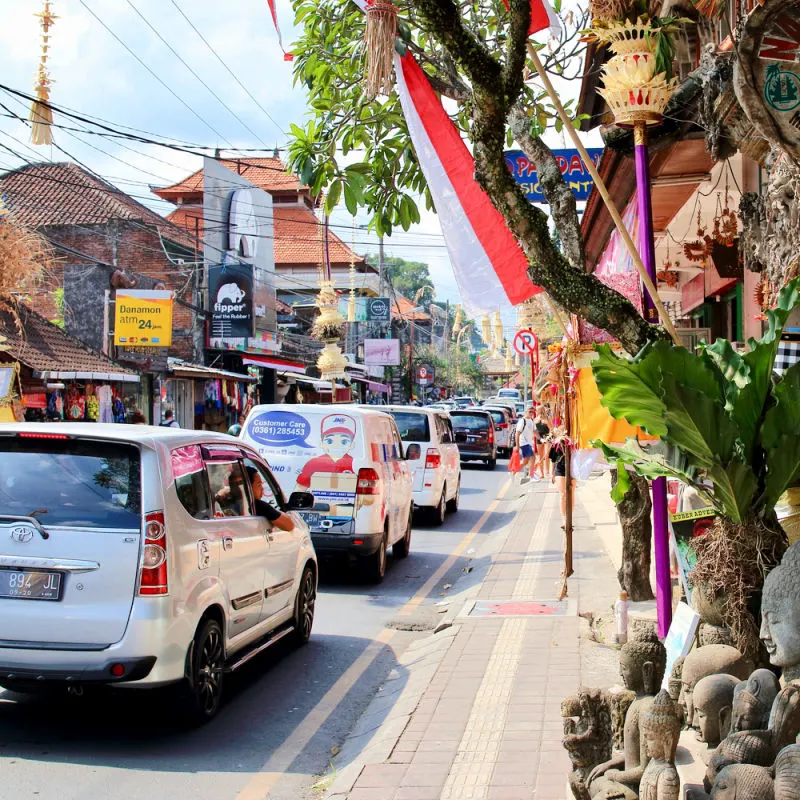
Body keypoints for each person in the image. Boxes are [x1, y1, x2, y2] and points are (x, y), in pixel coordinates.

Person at [245, 467, 295, 531]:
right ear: (248, 487)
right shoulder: (257, 506)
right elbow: (289, 526)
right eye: (259, 484)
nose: (262, 489)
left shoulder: (232, 504)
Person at [550, 434, 575, 526]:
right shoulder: (555, 444)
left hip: (572, 469)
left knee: (571, 492)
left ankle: (570, 517)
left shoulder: (574, 441)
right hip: (560, 469)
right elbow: (553, 460)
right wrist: (552, 473)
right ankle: (564, 519)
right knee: (563, 494)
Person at [514, 406, 537, 483]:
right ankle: (531, 476)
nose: (531, 413)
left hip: (528, 443)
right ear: (526, 411)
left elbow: (534, 431)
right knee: (533, 457)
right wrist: (517, 446)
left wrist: (541, 439)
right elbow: (517, 434)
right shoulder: (522, 421)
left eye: (532, 412)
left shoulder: (531, 420)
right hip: (524, 443)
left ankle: (513, 472)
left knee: (525, 462)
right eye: (530, 411)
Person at [534, 410, 551, 479]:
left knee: (546, 455)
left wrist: (548, 437)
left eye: (537, 410)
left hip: (547, 437)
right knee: (540, 457)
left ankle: (547, 471)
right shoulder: (535, 419)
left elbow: (551, 429)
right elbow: (534, 431)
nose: (536, 411)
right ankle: (542, 473)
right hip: (539, 438)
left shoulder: (547, 418)